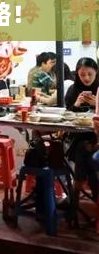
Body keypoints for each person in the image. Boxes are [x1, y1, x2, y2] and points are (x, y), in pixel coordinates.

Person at [65, 57, 99, 201]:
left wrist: (97, 104)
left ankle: (75, 194)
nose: (86, 78)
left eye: (90, 74)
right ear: (77, 74)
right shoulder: (73, 89)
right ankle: (94, 195)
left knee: (81, 149)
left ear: (96, 72)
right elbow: (67, 114)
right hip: (78, 135)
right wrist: (76, 104)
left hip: (95, 137)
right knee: (82, 149)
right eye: (82, 74)